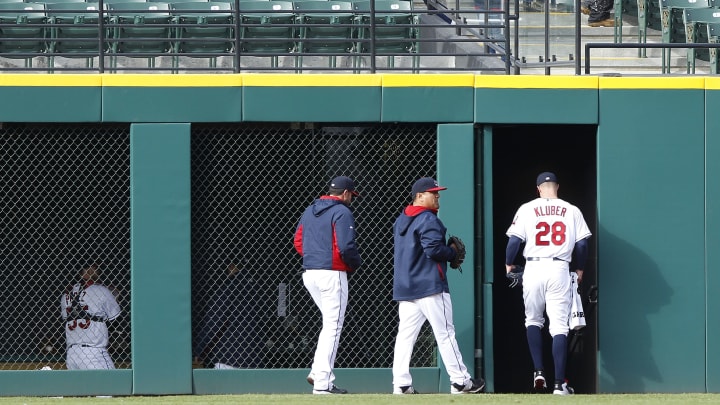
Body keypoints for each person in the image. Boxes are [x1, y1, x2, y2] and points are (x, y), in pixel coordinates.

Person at [391, 177, 486, 395]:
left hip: (406, 288)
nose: (437, 196)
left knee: (405, 336)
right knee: (445, 333)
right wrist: (451, 252)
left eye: (437, 192)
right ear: (419, 196)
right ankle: (461, 381)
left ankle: (402, 384)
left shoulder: (401, 220)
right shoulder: (428, 219)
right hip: (430, 286)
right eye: (433, 193)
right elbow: (433, 250)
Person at [504, 172, 591, 395]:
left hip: (533, 266)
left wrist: (509, 264)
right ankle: (559, 384)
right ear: (557, 187)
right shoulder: (571, 210)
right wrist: (579, 268)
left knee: (533, 319)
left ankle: (538, 371)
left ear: (539, 189)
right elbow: (581, 245)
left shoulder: (527, 208)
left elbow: (514, 241)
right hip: (559, 267)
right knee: (559, 326)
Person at [293, 175, 362, 395]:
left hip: (310, 273)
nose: (351, 198)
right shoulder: (342, 211)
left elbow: (298, 241)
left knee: (329, 323)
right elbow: (345, 246)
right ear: (344, 193)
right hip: (332, 274)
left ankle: (317, 372)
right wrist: (353, 264)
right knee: (334, 326)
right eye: (351, 194)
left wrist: (315, 258)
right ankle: (323, 383)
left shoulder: (309, 210)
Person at [193, 262, 262, 369]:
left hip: (229, 357)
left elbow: (214, 321)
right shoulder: (260, 288)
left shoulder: (229, 287)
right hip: (256, 358)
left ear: (231, 266)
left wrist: (199, 350)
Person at [60, 263, 122, 370]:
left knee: (81, 386)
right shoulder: (101, 290)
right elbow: (116, 318)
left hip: (71, 353)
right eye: (89, 269)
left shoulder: (67, 294)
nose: (91, 271)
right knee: (113, 383)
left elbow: (66, 318)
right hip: (93, 351)